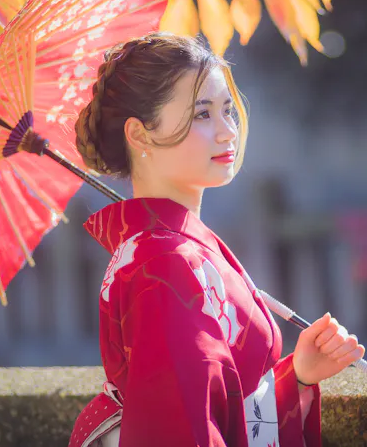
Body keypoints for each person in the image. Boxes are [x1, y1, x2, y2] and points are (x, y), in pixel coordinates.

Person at [68, 33, 364, 447]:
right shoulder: (165, 263)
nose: (227, 132)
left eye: (228, 110)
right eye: (201, 115)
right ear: (139, 135)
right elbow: (183, 429)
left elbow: (223, 404)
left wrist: (297, 374)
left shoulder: (172, 249)